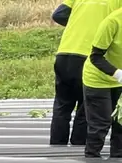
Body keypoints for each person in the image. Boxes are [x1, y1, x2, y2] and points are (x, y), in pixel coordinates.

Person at [51, 0, 122, 146]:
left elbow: (58, 15)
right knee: (86, 108)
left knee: (62, 106)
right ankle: (78, 150)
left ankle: (56, 148)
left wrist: (78, 25)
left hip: (64, 53)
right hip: (88, 55)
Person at [82, 6, 122, 158]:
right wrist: (117, 74)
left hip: (119, 81)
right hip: (98, 80)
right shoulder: (113, 21)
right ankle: (92, 161)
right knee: (100, 124)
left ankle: (117, 161)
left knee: (120, 123)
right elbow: (96, 57)